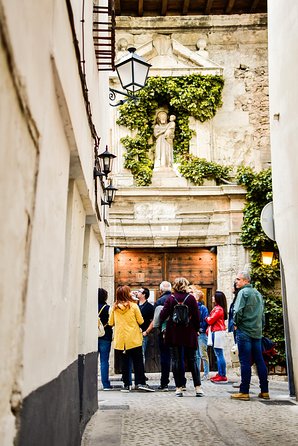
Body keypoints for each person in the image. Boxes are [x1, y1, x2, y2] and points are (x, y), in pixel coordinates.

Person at [160, 277, 204, 397]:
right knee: (192, 360)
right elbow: (197, 317)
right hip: (189, 332)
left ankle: (178, 388)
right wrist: (195, 330)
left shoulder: (171, 298)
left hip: (174, 333)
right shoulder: (191, 298)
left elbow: (162, 315)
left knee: (176, 360)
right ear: (186, 285)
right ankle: (198, 388)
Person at [231, 271, 269, 401]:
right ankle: (265, 391)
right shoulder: (258, 294)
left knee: (245, 361)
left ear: (246, 281)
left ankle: (244, 391)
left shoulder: (243, 292)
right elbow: (262, 314)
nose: (236, 281)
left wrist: (236, 323)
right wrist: (260, 328)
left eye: (238, 279)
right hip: (257, 332)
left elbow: (238, 311)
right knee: (260, 361)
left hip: (245, 331)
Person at [108, 285, 154, 392]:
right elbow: (141, 321)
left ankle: (126, 384)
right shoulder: (133, 306)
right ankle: (140, 383)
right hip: (134, 339)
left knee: (125, 362)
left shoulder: (114, 307)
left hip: (121, 340)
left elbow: (111, 323)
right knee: (138, 362)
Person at [144, 281, 172, 390]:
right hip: (178, 332)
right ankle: (181, 382)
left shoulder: (160, 301)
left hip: (164, 333)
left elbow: (155, 320)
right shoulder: (175, 298)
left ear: (160, 290)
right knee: (178, 357)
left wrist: (148, 331)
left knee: (165, 357)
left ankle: (164, 382)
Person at [206, 291, 228, 383]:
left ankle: (222, 375)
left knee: (219, 354)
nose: (212, 298)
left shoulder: (218, 309)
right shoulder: (218, 308)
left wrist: (206, 318)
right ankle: (220, 373)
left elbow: (210, 320)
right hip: (217, 331)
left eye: (214, 297)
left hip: (218, 332)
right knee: (218, 353)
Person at [189, 285, 210, 381]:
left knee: (203, 354)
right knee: (196, 355)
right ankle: (196, 374)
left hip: (201, 334)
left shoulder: (203, 308)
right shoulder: (191, 307)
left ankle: (206, 373)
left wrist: (199, 329)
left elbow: (205, 321)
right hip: (193, 333)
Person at [98, 288, 113, 390]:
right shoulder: (107, 308)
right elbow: (111, 322)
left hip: (92, 337)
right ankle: (106, 384)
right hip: (105, 336)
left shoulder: (90, 307)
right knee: (104, 361)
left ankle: (90, 383)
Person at [138, 287, 154, 365]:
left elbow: (153, 321)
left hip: (143, 333)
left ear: (144, 294)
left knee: (141, 353)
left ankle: (141, 374)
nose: (137, 292)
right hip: (133, 333)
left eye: (139, 291)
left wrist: (147, 331)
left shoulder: (150, 307)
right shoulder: (134, 305)